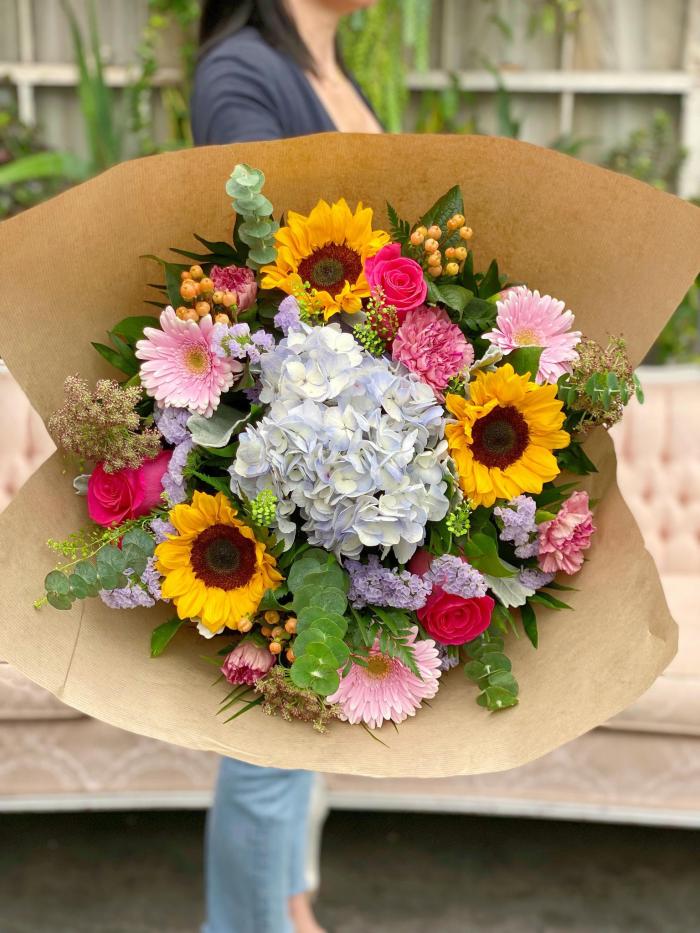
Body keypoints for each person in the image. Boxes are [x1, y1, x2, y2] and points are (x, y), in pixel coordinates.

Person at [192, 3, 382, 932]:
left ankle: (290, 905)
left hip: (365, 441)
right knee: (275, 723)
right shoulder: (241, 73)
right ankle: (248, 923)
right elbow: (256, 266)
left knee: (313, 696)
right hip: (289, 440)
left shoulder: (330, 67)